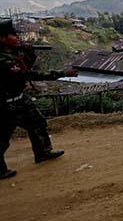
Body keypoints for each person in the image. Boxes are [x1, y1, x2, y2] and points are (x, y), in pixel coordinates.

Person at [1, 20, 77, 179]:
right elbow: (29, 74)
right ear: (2, 38)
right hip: (5, 104)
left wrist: (29, 53)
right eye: (13, 35)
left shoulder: (11, 53)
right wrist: (62, 73)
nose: (17, 37)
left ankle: (43, 152)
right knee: (2, 138)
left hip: (19, 98)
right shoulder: (4, 59)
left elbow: (26, 66)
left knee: (38, 123)